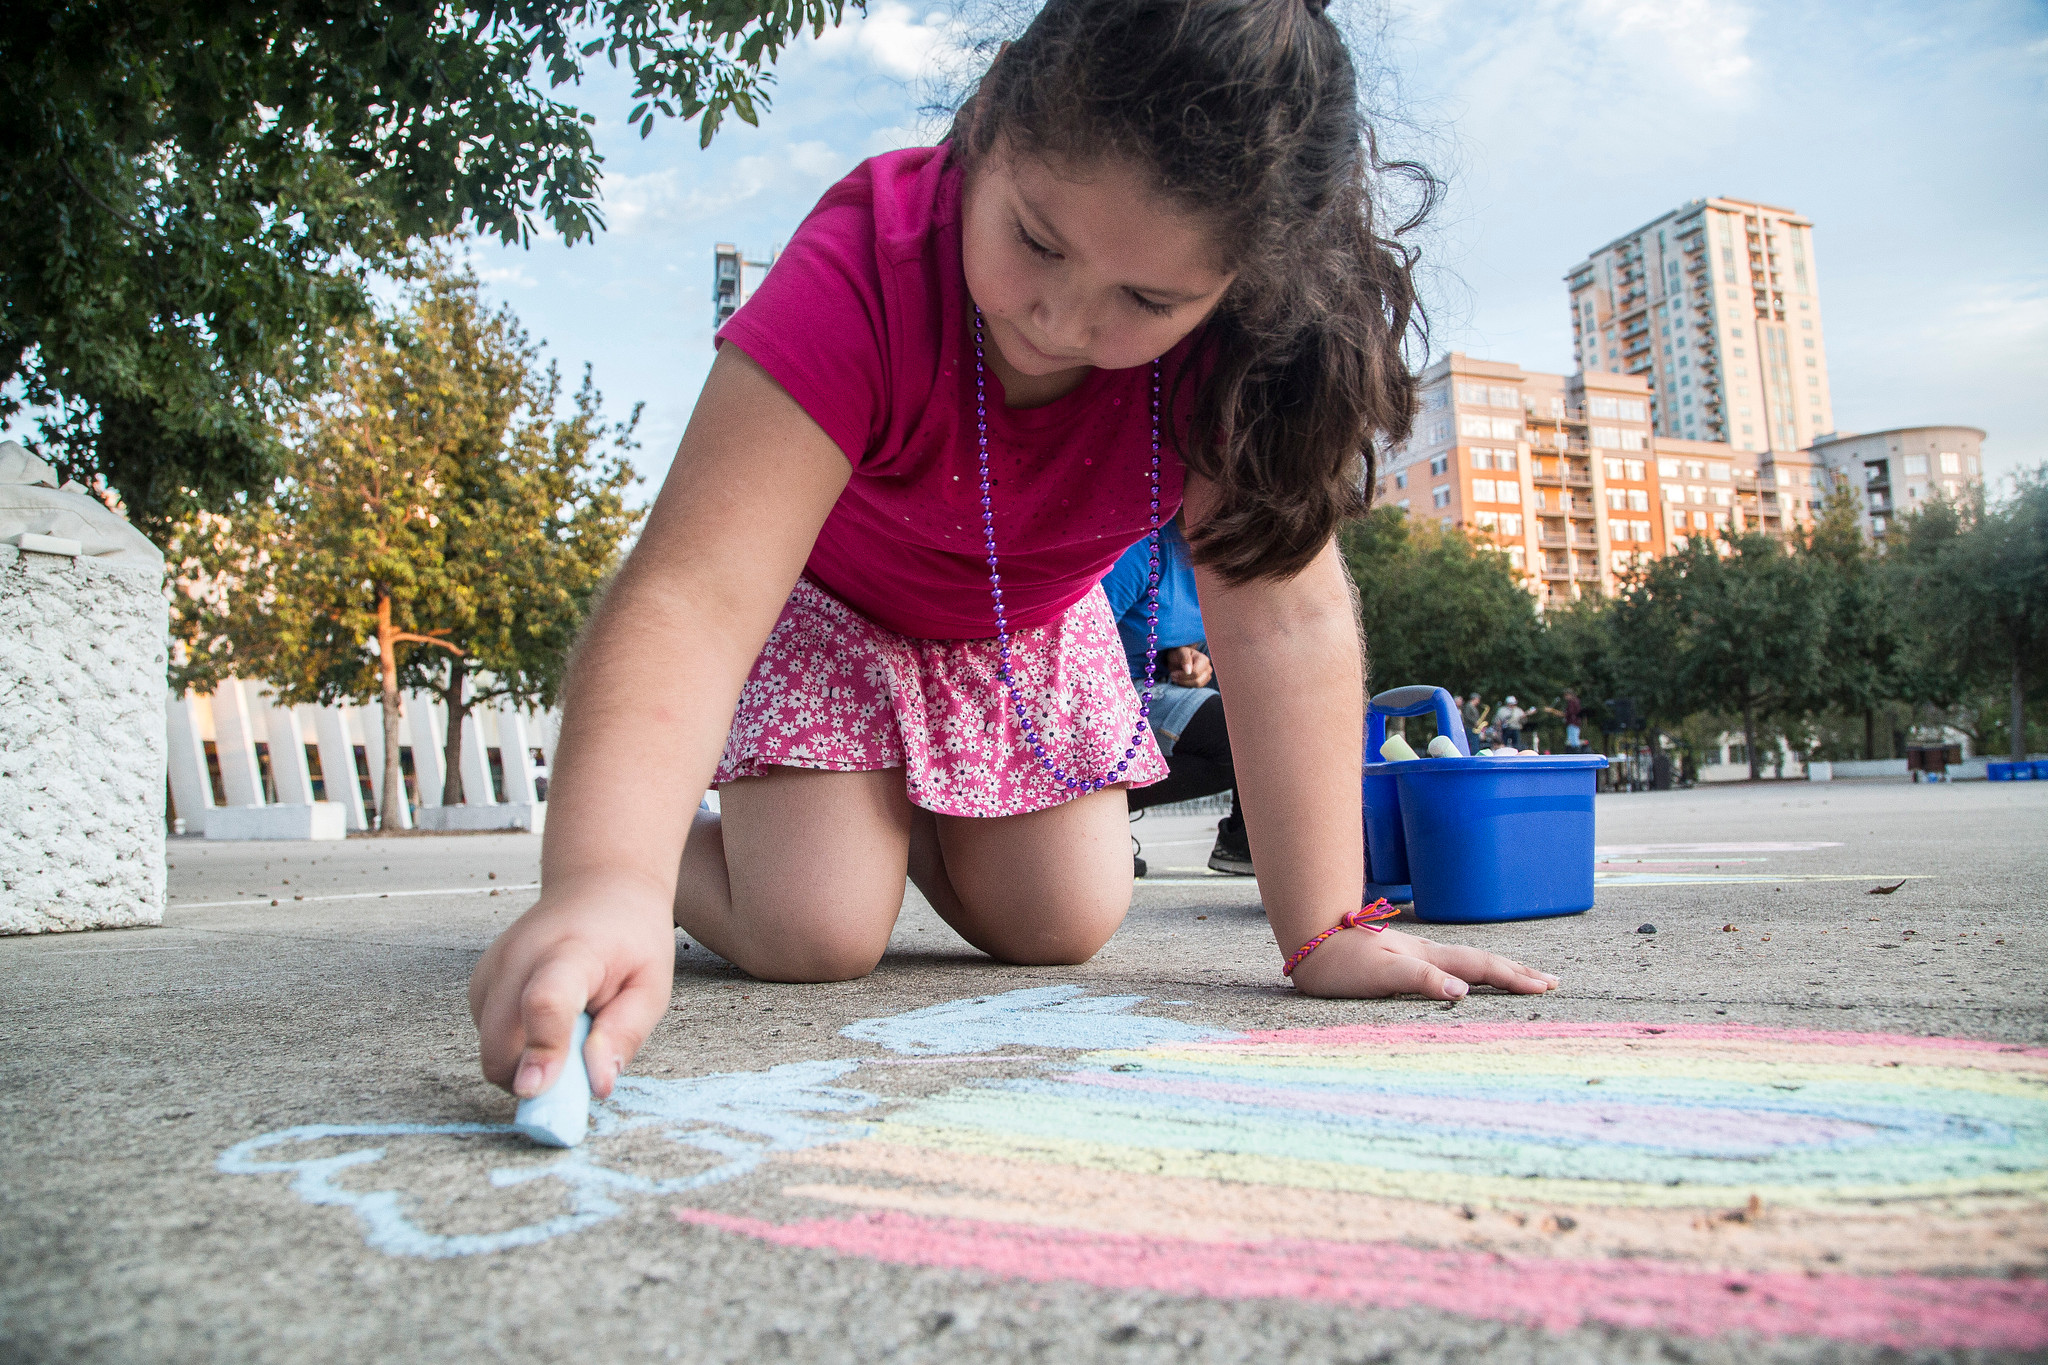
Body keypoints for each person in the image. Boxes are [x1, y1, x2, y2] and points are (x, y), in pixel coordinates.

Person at [469, 0, 1558, 1108]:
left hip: (1021, 627)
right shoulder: (867, 264)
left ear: (1247, 281)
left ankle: (869, 809)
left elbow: (1283, 618)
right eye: (1035, 239)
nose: (1060, 320)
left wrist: (1324, 929)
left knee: (1061, 923)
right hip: (832, 609)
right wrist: (605, 875)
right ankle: (678, 836)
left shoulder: (1244, 357)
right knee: (811, 928)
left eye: (1147, 300)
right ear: (988, 117)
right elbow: (694, 595)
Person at [1102, 521, 1251, 875]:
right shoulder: (1141, 548)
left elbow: (1190, 636)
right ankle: (1082, 815)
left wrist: (1193, 658)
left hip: (1156, 687)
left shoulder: (1230, 555)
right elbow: (1074, 642)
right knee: (1243, 733)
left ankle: (1243, 843)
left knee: (1260, 717)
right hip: (1104, 692)